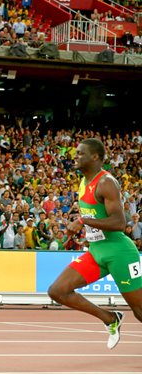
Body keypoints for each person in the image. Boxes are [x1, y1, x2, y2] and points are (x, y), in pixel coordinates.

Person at [48, 138, 142, 350]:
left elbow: (120, 223)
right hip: (96, 251)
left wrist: (82, 221)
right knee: (57, 291)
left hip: (119, 252)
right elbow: (97, 218)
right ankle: (111, 319)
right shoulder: (83, 182)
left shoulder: (106, 182)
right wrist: (87, 233)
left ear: (95, 157)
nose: (75, 156)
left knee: (140, 311)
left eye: (81, 153)